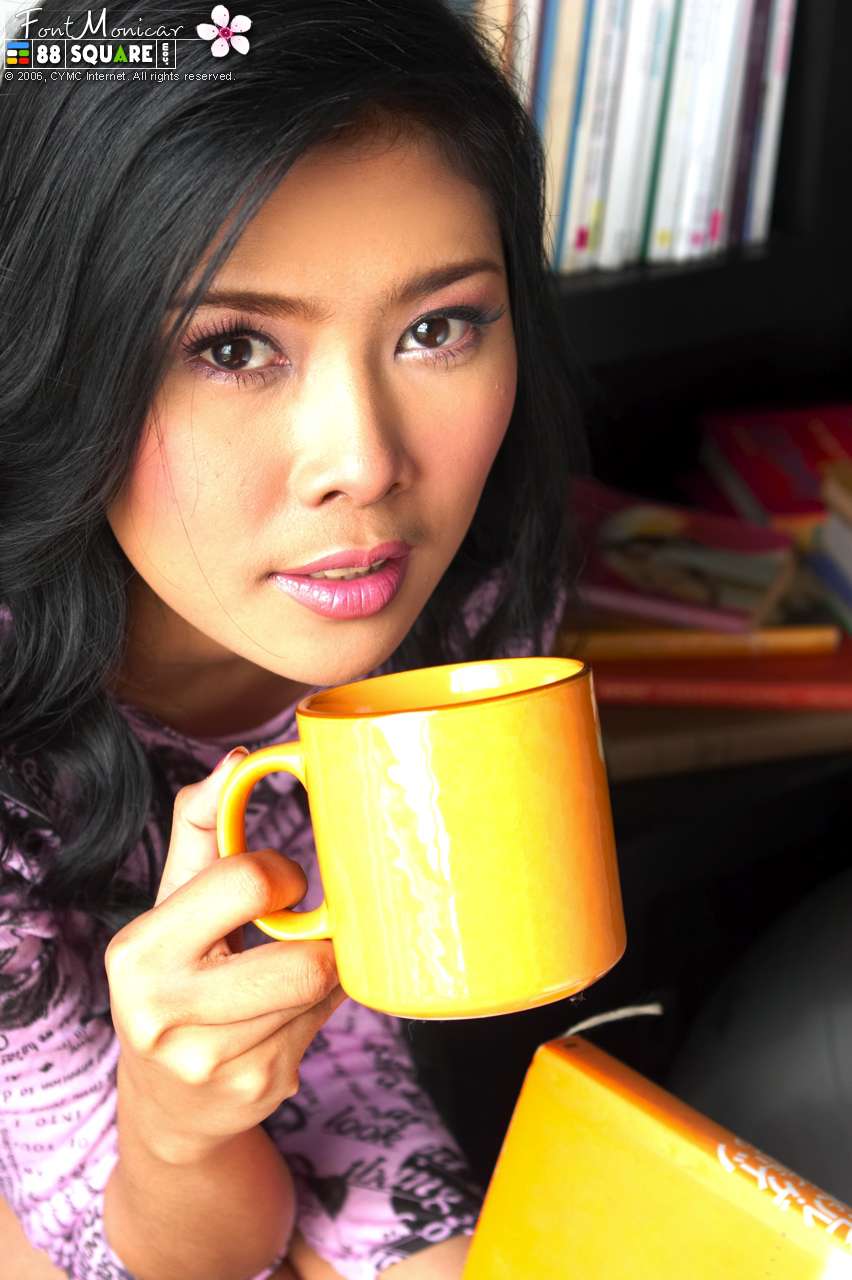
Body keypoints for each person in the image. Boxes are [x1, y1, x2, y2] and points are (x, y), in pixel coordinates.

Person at [0, 1, 587, 1276]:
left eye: (437, 326)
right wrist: (176, 1136)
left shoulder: (476, 594)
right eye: (232, 346)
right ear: (61, 356)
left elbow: (355, 1123)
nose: (366, 463)